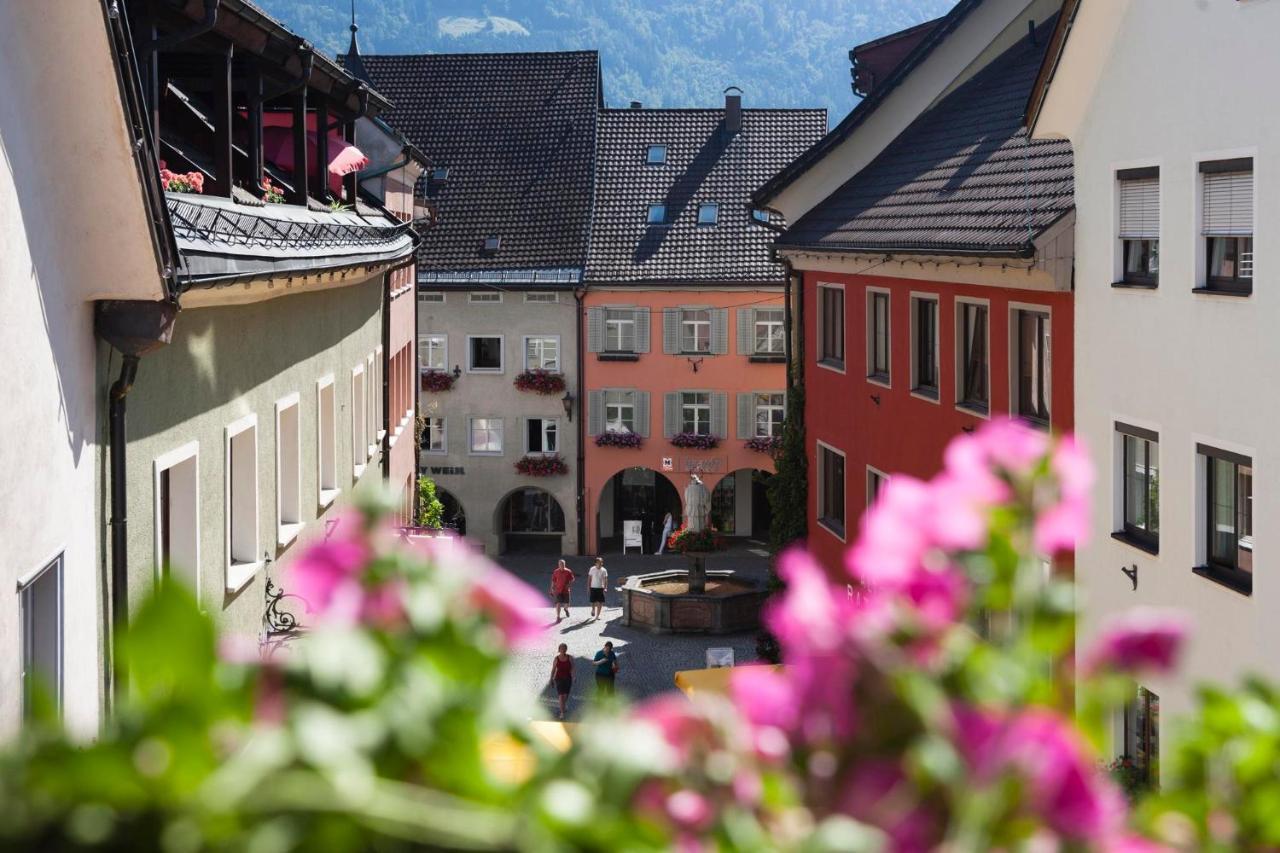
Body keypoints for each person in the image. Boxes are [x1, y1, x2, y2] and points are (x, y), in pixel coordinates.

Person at [550, 643, 573, 719]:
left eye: (564, 648)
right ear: (559, 650)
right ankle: (562, 713)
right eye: (561, 648)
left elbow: (572, 668)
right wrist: (551, 678)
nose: (563, 650)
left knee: (565, 695)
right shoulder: (556, 659)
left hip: (568, 678)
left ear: (566, 649)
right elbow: (553, 669)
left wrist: (574, 676)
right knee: (561, 695)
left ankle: (562, 706)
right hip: (558, 678)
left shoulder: (570, 658)